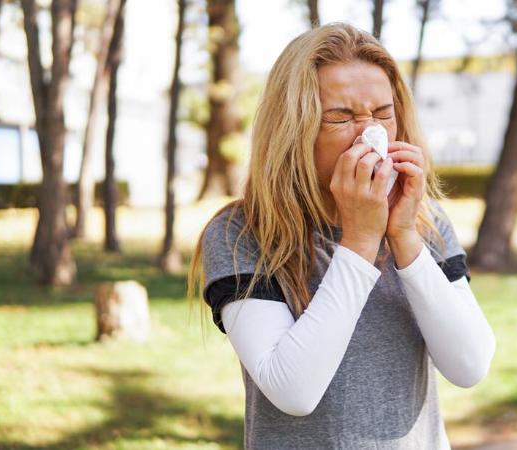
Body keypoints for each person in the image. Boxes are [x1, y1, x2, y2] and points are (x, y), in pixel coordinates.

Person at [187, 22, 496, 450]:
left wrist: (404, 236)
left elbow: (469, 365)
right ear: (294, 128)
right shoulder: (241, 234)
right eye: (340, 117)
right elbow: (293, 391)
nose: (370, 134)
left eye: (383, 114)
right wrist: (360, 241)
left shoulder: (424, 220)